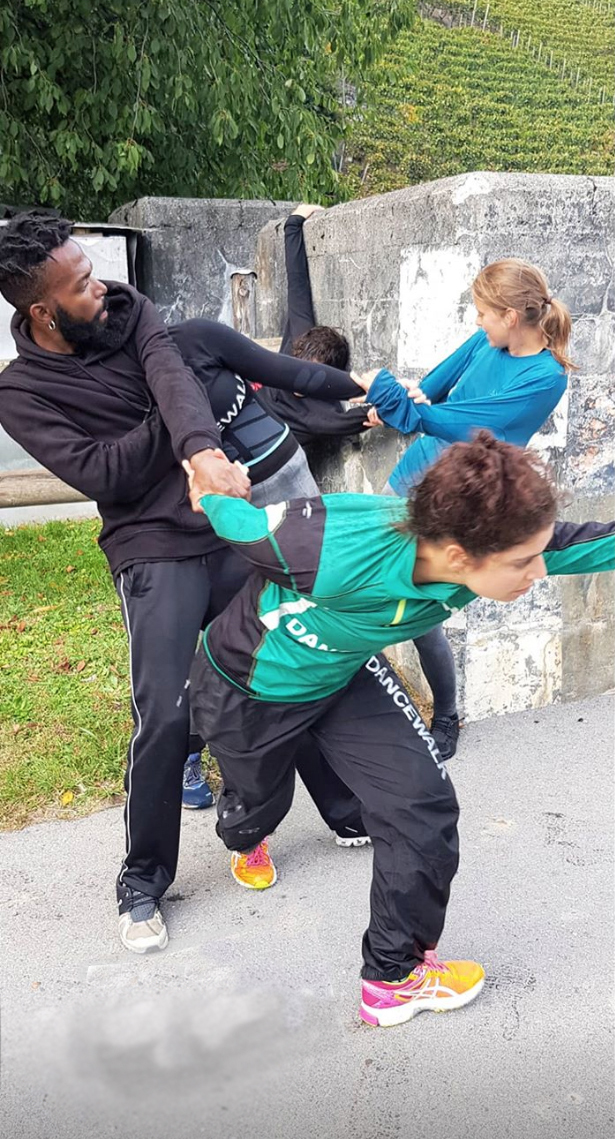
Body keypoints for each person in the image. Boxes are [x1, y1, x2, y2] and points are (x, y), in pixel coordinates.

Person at [0, 211, 363, 954]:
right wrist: (177, 428)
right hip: (149, 549)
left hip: (222, 527)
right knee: (166, 713)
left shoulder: (129, 310)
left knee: (287, 662)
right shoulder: (20, 392)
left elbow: (174, 380)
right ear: (42, 312)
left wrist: (197, 445)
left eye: (92, 271)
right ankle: (142, 880)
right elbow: (106, 472)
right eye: (80, 284)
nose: (100, 287)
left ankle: (345, 808)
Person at [183, 431, 614, 1027]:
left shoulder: (490, 546)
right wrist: (209, 482)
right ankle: (245, 833)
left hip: (344, 674)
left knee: (422, 808)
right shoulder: (328, 544)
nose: (539, 571)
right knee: (260, 803)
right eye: (523, 562)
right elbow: (240, 522)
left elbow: (590, 544)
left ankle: (392, 977)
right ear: (458, 556)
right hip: (247, 684)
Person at [353, 258, 573, 761]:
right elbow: (436, 386)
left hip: (458, 501)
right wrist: (405, 400)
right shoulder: (487, 342)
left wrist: (402, 405)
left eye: (482, 313)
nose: (477, 321)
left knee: (421, 610)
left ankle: (446, 714)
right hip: (412, 475)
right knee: (370, 583)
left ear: (511, 316)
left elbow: (468, 425)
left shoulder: (545, 378)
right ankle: (357, 703)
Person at [256, 203, 370, 448]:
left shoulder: (321, 416)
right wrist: (293, 224)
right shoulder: (296, 344)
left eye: (307, 376)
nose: (296, 380)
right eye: (298, 367)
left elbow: (365, 417)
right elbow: (297, 284)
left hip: (263, 457)